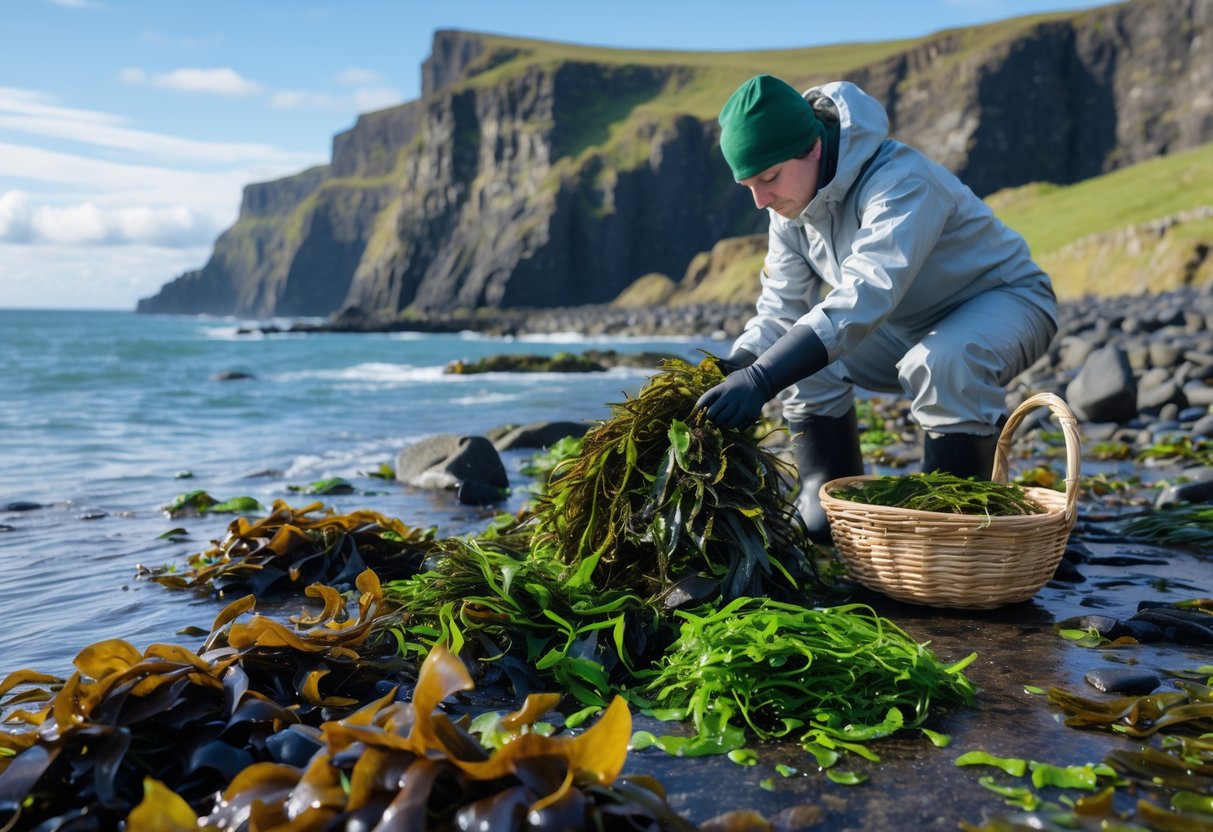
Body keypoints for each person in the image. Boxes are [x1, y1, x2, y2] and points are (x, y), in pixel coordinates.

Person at [696, 74, 1058, 542]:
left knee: (943, 360)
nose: (761, 199)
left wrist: (762, 380)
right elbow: (780, 310)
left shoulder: (901, 180)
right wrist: (735, 369)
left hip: (1008, 302)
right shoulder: (788, 209)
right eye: (749, 185)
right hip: (902, 326)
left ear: (812, 148)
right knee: (798, 360)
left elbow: (866, 295)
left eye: (768, 178)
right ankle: (827, 505)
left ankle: (957, 523)